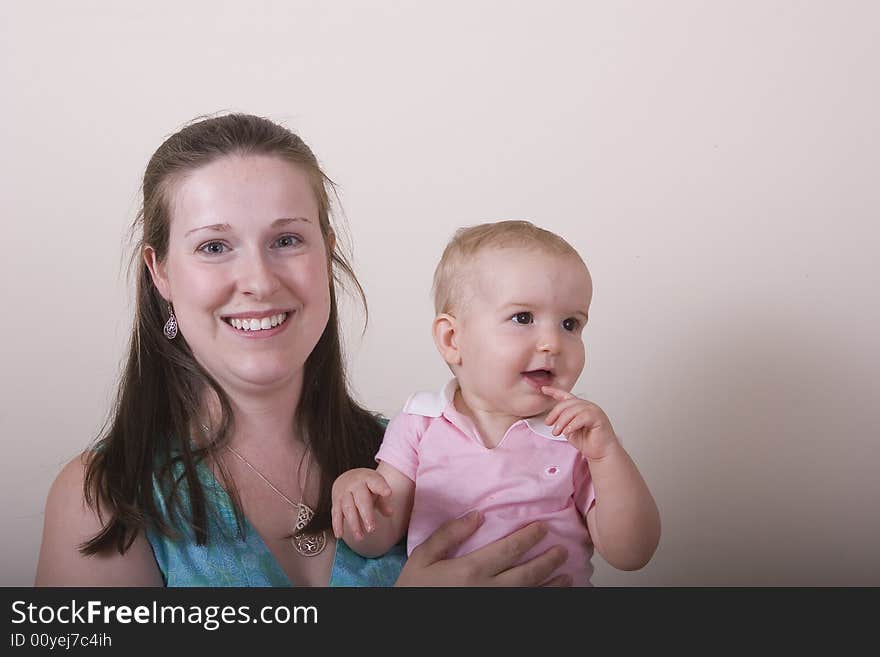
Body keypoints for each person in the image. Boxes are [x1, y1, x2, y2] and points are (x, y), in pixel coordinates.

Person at [34, 115, 572, 587]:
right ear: (162, 273)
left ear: (327, 254)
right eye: (214, 247)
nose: (258, 281)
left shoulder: (421, 452)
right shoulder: (103, 499)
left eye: (287, 240)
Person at [331, 221, 661, 586]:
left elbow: (632, 554)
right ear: (453, 339)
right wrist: (356, 495)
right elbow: (377, 542)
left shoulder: (575, 433)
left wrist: (607, 458)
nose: (553, 342)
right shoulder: (420, 422)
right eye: (523, 318)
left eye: (571, 324)